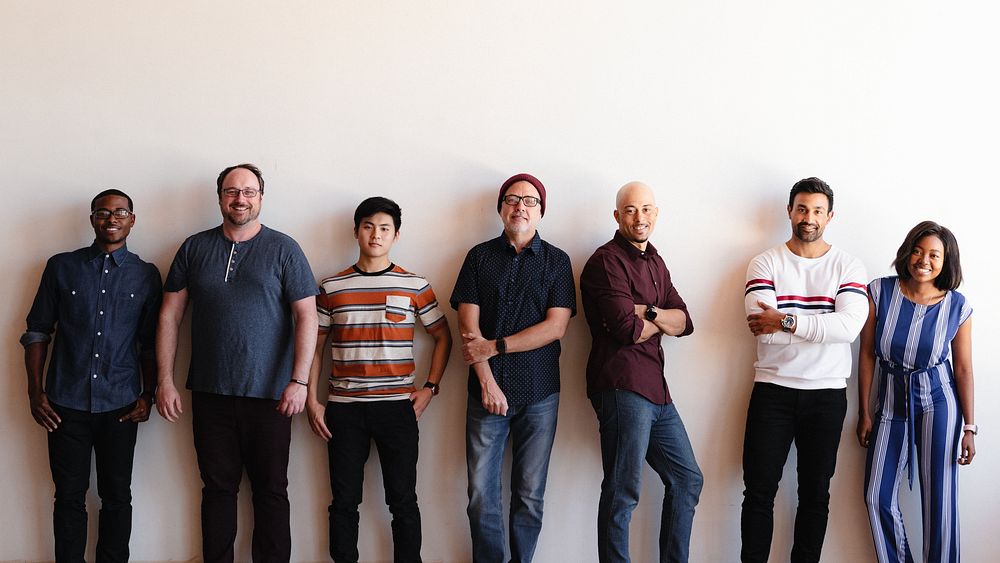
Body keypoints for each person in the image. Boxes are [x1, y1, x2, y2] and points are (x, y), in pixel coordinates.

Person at [155, 163, 319, 563]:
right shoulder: (194, 248)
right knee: (216, 490)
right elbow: (169, 316)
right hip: (210, 393)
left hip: (272, 395)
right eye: (232, 191)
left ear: (261, 197)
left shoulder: (284, 249)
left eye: (248, 191)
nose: (240, 199)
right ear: (220, 197)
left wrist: (298, 381)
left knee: (271, 491)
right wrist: (164, 379)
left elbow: (307, 317)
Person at [306, 196, 452, 562]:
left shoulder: (414, 285)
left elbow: (443, 335)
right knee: (343, 502)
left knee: (403, 500)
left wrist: (431, 388)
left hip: (398, 409)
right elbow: (316, 345)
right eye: (368, 226)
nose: (376, 234)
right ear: (356, 231)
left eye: (385, 228)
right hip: (344, 410)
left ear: (396, 235)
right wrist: (312, 399)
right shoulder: (331, 287)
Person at [21, 189, 161, 562]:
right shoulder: (60, 266)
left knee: (117, 496)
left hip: (121, 405)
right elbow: (37, 331)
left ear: (132, 219)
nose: (111, 218)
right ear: (92, 219)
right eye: (103, 212)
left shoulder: (146, 275)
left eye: (120, 212)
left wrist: (149, 394)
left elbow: (150, 343)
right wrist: (36, 393)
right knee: (68, 496)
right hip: (65, 404)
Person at [450, 173, 576, 563]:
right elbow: (467, 327)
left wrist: (496, 346)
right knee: (480, 497)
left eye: (529, 200)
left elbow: (556, 327)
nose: (520, 206)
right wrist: (487, 382)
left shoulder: (557, 261)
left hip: (539, 394)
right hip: (485, 392)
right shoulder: (478, 257)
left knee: (530, 495)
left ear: (541, 211)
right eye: (511, 199)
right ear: (501, 208)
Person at [741, 177, 868, 562]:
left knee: (815, 495)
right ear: (789, 211)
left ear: (830, 216)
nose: (808, 218)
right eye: (801, 209)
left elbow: (848, 329)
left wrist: (787, 321)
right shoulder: (765, 262)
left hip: (827, 395)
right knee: (759, 492)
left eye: (817, 211)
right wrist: (817, 327)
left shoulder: (847, 265)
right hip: (773, 392)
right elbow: (762, 331)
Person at [580, 181, 702, 563]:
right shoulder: (604, 262)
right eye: (631, 210)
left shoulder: (656, 262)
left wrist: (645, 310)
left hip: (657, 391)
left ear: (656, 214)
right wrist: (656, 318)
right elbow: (624, 330)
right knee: (623, 490)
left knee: (687, 479)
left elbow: (685, 321)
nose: (640, 217)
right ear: (617, 216)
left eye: (646, 209)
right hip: (621, 386)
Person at [857, 221, 975, 563]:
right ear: (907, 252)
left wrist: (970, 427)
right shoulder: (879, 291)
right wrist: (865, 412)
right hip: (890, 403)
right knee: (876, 497)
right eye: (918, 251)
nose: (923, 259)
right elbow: (866, 353)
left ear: (946, 261)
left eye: (934, 254)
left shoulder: (957, 306)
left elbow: (964, 369)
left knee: (940, 502)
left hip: (939, 403)